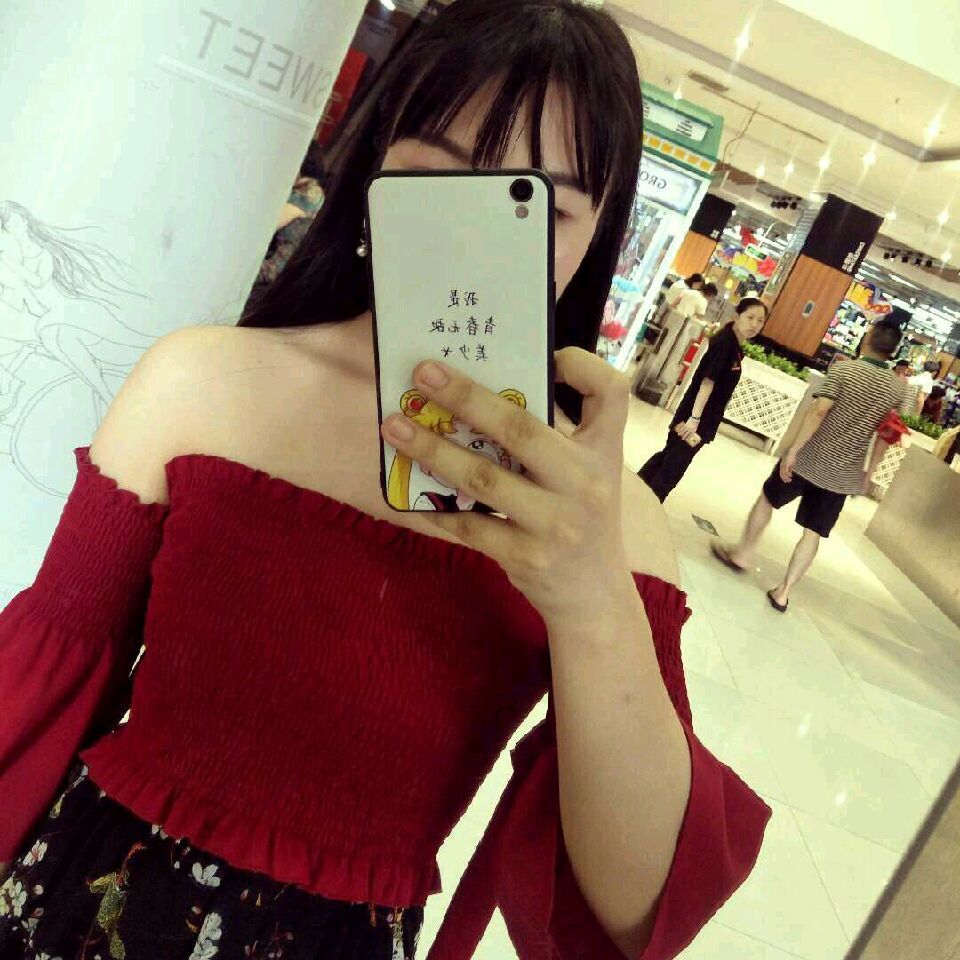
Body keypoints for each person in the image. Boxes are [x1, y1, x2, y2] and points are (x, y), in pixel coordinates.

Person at [0, 3, 770, 959]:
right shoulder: (200, 380)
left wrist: (591, 597)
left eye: (534, 203)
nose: (473, 232)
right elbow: (40, 686)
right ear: (372, 170)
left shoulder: (610, 522)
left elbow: (635, 909)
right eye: (436, 177)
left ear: (593, 236)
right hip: (80, 909)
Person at [712, 316, 911, 613]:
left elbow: (819, 411)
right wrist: (869, 474)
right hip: (843, 474)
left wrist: (793, 450)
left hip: (808, 459)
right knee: (813, 532)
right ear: (893, 351)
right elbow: (887, 435)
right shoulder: (897, 389)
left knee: (767, 500)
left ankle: (743, 554)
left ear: (868, 339)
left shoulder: (844, 370)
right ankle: (783, 592)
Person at [638, 297, 768, 501]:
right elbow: (708, 383)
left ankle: (636, 492)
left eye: (760, 320)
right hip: (695, 418)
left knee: (669, 458)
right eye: (750, 317)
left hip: (700, 418)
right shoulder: (725, 344)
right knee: (672, 468)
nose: (755, 324)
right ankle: (646, 503)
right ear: (737, 316)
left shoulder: (733, 345)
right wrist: (694, 419)